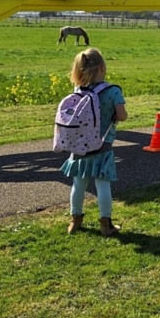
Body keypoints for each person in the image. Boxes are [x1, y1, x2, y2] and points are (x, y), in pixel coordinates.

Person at [61, 48, 127, 236]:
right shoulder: (113, 91)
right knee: (103, 184)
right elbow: (122, 116)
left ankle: (75, 221)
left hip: (79, 146)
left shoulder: (78, 90)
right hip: (102, 145)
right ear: (102, 68)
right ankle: (106, 224)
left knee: (78, 185)